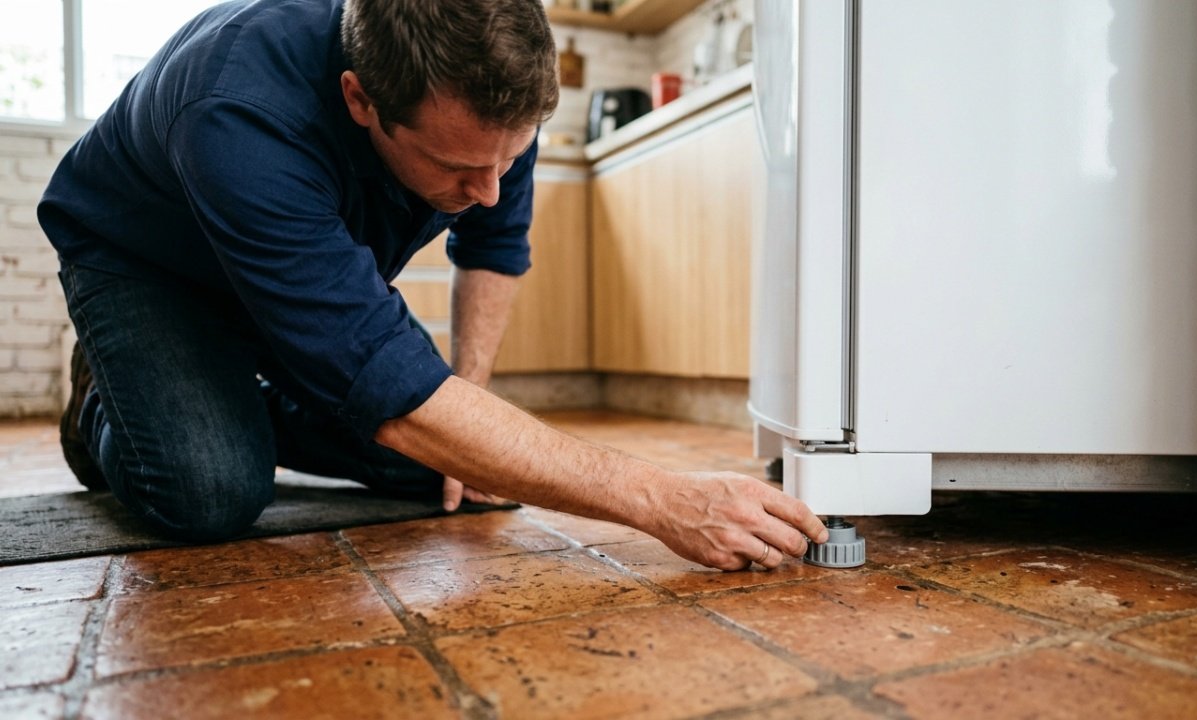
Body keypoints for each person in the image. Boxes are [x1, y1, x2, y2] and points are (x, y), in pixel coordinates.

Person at [39, 0, 827, 571]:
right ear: (360, 99)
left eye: (509, 160)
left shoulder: (489, 101)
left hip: (295, 268)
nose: (488, 188)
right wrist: (661, 501)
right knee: (209, 491)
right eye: (457, 169)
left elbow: (492, 241)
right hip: (147, 267)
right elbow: (388, 378)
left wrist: (468, 409)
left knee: (455, 468)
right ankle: (109, 402)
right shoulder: (237, 110)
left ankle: (225, 400)